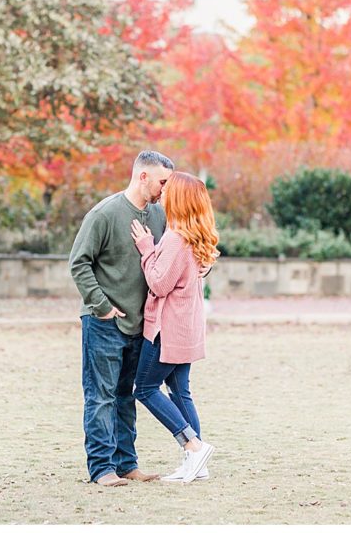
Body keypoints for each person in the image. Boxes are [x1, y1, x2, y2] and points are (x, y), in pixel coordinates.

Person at [69, 150, 175, 487]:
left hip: (140, 325)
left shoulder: (159, 217)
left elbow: (167, 259)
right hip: (103, 323)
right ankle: (102, 469)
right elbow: (78, 263)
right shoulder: (104, 213)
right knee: (100, 397)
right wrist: (100, 305)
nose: (164, 189)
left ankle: (126, 464)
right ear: (143, 176)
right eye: (162, 182)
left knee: (125, 395)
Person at [129, 171, 219, 484]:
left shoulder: (175, 238)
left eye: (169, 189)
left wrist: (145, 247)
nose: (163, 192)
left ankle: (193, 446)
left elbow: (158, 282)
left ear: (178, 199)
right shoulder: (196, 236)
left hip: (166, 331)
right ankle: (198, 463)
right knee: (180, 390)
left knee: (146, 388)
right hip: (187, 328)